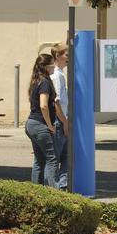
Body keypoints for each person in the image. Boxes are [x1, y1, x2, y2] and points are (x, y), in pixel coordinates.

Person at [25, 52, 60, 186]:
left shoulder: (36, 80)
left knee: (39, 160)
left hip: (31, 124)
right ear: (45, 67)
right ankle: (54, 192)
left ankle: (36, 192)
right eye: (52, 64)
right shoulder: (44, 82)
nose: (54, 66)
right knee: (52, 159)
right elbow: (43, 105)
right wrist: (50, 125)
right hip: (40, 124)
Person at [50, 42, 71, 190]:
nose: (69, 58)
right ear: (58, 56)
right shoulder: (57, 76)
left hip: (62, 120)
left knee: (66, 157)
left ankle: (62, 186)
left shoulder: (61, 74)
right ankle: (56, 187)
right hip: (59, 121)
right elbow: (56, 102)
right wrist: (64, 122)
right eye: (67, 55)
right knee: (56, 158)